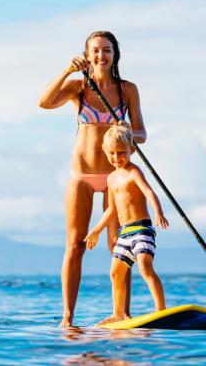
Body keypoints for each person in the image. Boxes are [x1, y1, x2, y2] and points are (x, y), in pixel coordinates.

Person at [38, 31, 147, 327]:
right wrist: (66, 71)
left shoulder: (128, 90)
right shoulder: (78, 88)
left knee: (119, 244)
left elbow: (142, 134)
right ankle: (68, 318)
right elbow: (44, 103)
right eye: (95, 51)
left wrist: (128, 132)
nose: (101, 56)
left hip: (117, 177)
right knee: (75, 244)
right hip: (82, 176)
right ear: (87, 55)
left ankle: (122, 314)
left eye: (107, 50)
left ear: (115, 54)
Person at [85, 125, 168, 325]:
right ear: (105, 152)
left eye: (121, 152)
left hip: (141, 229)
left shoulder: (134, 172)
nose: (116, 157)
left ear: (132, 149)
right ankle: (118, 313)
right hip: (124, 234)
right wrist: (96, 230)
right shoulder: (111, 178)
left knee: (145, 267)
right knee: (115, 273)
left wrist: (158, 212)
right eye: (111, 153)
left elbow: (149, 192)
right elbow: (111, 210)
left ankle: (161, 310)